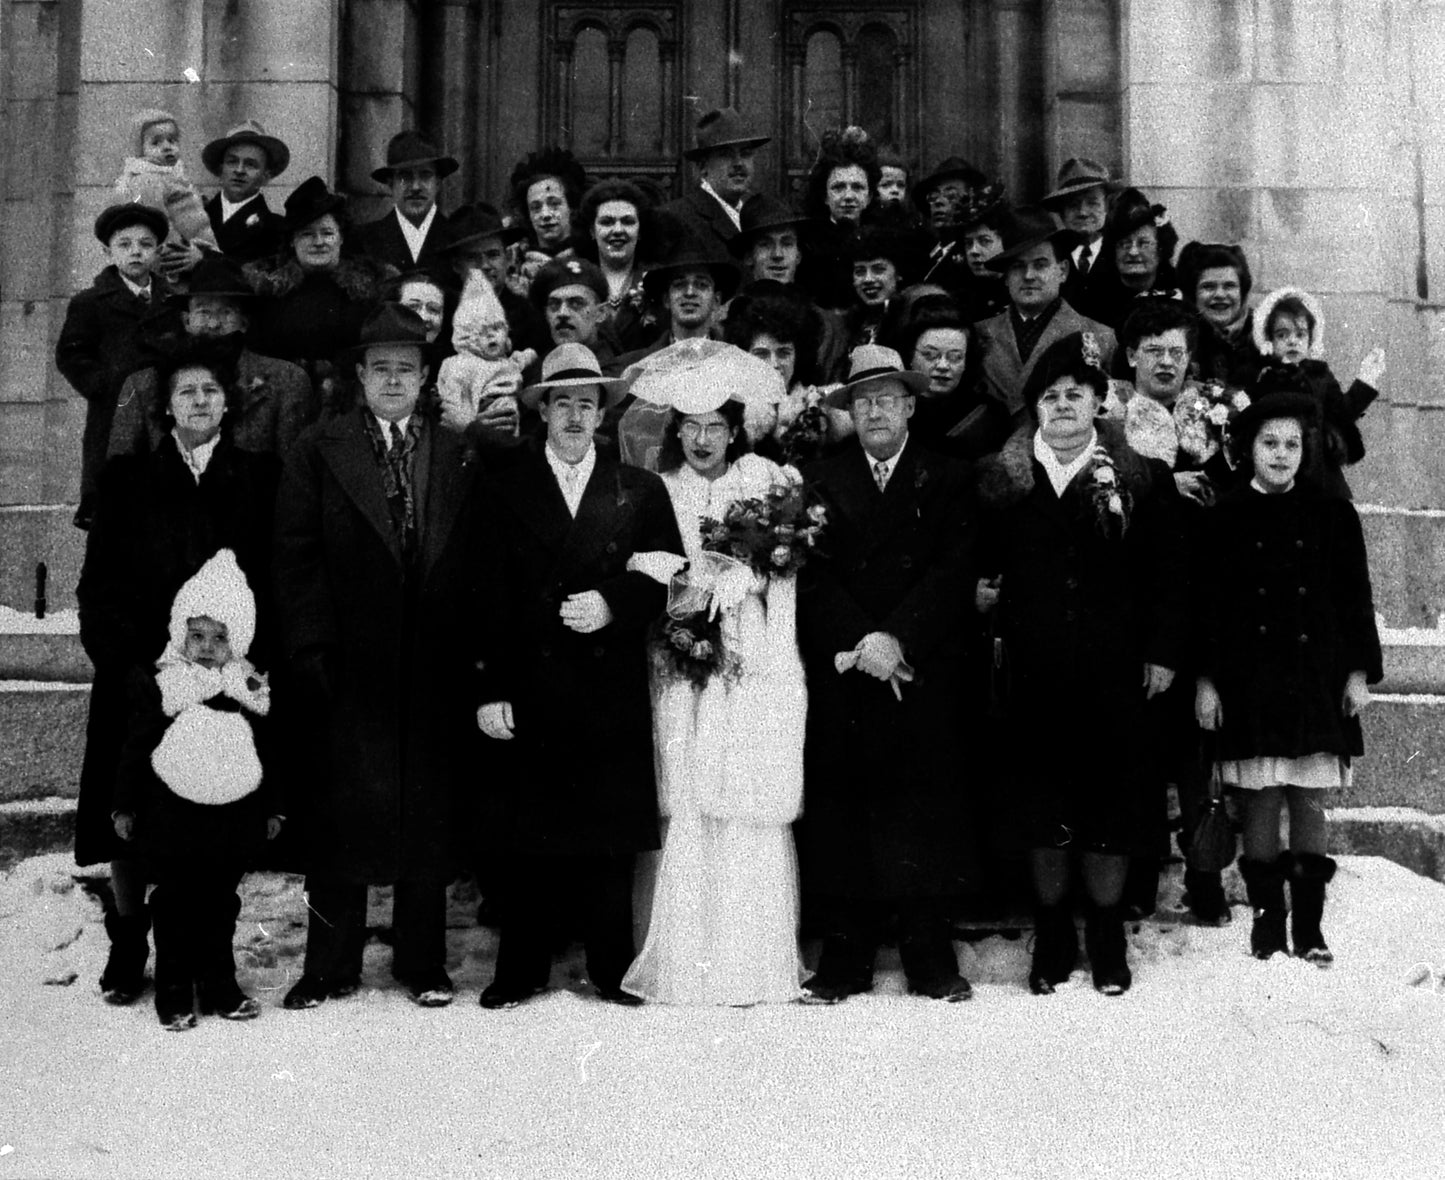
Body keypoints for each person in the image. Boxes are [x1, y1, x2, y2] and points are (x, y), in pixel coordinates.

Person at [273, 303, 479, 1010]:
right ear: (358, 376)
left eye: (407, 368)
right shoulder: (317, 448)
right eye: (380, 367)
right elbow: (294, 557)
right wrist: (309, 645)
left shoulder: (455, 451)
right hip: (349, 659)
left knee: (426, 810)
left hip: (432, 658)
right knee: (339, 814)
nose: (393, 379)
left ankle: (423, 962)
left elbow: (476, 560)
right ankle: (329, 963)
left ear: (424, 378)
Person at [974, 332, 1187, 996]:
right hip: (1031, 675)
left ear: (1100, 402)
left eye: (1076, 394)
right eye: (1049, 396)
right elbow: (977, 566)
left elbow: (1169, 578)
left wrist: (1161, 653)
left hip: (1114, 674)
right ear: (1033, 408)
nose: (1062, 405)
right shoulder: (1003, 481)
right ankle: (1052, 932)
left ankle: (1103, 931)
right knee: (1041, 805)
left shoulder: (1139, 479)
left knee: (1110, 805)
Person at [471, 343, 684, 1008]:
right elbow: (480, 596)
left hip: (605, 683)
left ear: (600, 414)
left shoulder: (638, 488)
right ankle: (519, 970)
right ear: (543, 411)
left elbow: (661, 577)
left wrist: (612, 603)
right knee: (526, 836)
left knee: (607, 837)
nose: (573, 415)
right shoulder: (502, 486)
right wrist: (488, 688)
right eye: (561, 402)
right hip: (529, 682)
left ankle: (611, 966)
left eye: (585, 404)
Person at [76, 338, 280, 1008]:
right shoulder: (129, 480)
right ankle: (131, 938)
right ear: (165, 408)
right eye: (186, 391)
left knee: (218, 812)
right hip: (145, 679)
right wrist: (129, 668)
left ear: (228, 404)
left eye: (211, 391)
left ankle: (210, 958)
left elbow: (273, 582)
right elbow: (99, 585)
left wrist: (252, 665)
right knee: (129, 815)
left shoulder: (257, 476)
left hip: (226, 680)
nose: (199, 401)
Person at [620, 351, 807, 1005]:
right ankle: (682, 960)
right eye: (691, 426)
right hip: (679, 656)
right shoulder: (657, 489)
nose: (702, 440)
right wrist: (678, 585)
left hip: (749, 655)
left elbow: (782, 566)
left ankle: (747, 960)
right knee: (688, 793)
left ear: (734, 430)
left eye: (715, 427)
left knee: (744, 791)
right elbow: (642, 564)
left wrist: (745, 575)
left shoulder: (765, 481)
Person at [796, 345, 979, 1004]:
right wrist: (860, 640)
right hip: (849, 673)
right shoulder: (816, 479)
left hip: (917, 670)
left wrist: (897, 637)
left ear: (908, 405)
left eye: (887, 398)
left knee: (921, 809)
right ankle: (843, 953)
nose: (875, 410)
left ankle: (927, 953)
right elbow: (808, 574)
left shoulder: (949, 477)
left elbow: (954, 570)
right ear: (849, 412)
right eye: (862, 400)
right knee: (845, 807)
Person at [1195, 391, 1382, 964]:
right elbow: (1206, 606)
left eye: (1293, 445)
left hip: (1315, 678)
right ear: (1249, 449)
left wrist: (1357, 672)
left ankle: (1311, 926)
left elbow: (1354, 597)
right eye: (1269, 443)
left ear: (1306, 452)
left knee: (1306, 800)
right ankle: (1267, 921)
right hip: (1248, 680)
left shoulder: (1330, 511)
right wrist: (1206, 681)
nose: (1281, 455)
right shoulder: (1224, 513)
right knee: (1259, 799)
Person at [113, 549, 283, 1030]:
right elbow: (135, 746)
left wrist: (275, 808)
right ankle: (173, 988)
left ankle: (219, 983)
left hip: (230, 820)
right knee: (173, 902)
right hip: (172, 820)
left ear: (238, 639)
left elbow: (269, 754)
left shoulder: (247, 689)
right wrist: (124, 805)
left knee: (219, 902)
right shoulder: (167, 686)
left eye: (219, 636)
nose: (207, 646)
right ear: (180, 635)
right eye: (197, 635)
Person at [55, 203, 184, 529]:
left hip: (163, 411)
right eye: (124, 245)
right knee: (115, 498)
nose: (136, 253)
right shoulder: (90, 302)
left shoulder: (173, 300)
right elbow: (72, 355)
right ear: (107, 251)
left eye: (145, 244)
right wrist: (104, 385)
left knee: (164, 496)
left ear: (158, 251)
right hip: (114, 410)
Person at [108, 254, 312, 459]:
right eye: (204, 312)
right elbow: (119, 473)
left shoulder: (287, 380)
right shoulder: (143, 385)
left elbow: (294, 477)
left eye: (226, 312)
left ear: (244, 322)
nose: (214, 324)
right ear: (187, 320)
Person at [245, 176, 396, 401]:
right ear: (292, 241)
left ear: (341, 238)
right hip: (284, 401)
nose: (318, 242)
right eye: (307, 234)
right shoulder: (269, 291)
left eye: (327, 233)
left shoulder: (370, 289)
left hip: (350, 402)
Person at [972, 206, 1116, 416]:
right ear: (1006, 276)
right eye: (1018, 267)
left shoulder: (1101, 337)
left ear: (1062, 271)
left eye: (1040, 265)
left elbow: (1110, 417)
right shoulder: (979, 336)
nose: (1029, 275)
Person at [1251, 285, 1387, 500]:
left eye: (1300, 334)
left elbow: (1342, 411)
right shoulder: (1265, 377)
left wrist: (1365, 379)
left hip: (1319, 471)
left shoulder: (1320, 376)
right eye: (1282, 335)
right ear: (1269, 341)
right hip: (1280, 467)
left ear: (1310, 340)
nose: (1292, 341)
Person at [898, 295, 1012, 459]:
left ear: (967, 360)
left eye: (955, 357)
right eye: (930, 355)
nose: (943, 366)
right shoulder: (894, 410)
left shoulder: (990, 415)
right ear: (910, 356)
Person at [571, 179, 671, 351]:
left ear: (640, 231)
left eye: (628, 221)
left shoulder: (659, 281)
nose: (618, 230)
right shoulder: (575, 281)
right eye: (607, 222)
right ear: (591, 231)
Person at [660, 107, 769, 253]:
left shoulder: (759, 216)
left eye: (745, 154)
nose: (739, 163)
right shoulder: (677, 220)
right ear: (703, 166)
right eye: (726, 155)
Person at [112, 107, 219, 255]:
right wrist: (179, 252)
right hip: (182, 258)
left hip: (201, 251)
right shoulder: (147, 180)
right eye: (156, 143)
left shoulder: (172, 176)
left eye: (172, 140)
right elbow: (159, 225)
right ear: (140, 149)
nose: (167, 147)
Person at [797, 127, 881, 310]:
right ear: (825, 197)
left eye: (857, 187)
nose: (848, 196)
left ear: (869, 197)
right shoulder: (808, 244)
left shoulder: (883, 240)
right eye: (838, 187)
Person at [351, 130, 459, 272]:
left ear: (438, 183)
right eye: (405, 176)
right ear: (391, 184)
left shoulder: (457, 239)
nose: (415, 187)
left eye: (425, 175)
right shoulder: (363, 241)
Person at [1078, 187, 1180, 331]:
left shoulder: (1179, 290)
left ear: (1161, 249)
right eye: (1124, 244)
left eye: (1143, 243)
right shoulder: (1095, 296)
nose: (1132, 252)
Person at [1176, 241, 1265, 389]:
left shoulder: (1264, 333)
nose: (1220, 294)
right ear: (1193, 293)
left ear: (1241, 291)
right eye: (1208, 287)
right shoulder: (1182, 336)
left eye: (1229, 286)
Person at [200, 120, 290, 263]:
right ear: (220, 170)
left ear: (265, 177)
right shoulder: (196, 217)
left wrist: (203, 260)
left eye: (250, 164)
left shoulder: (275, 229)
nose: (239, 170)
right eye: (232, 162)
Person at [507, 146, 588, 287]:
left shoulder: (590, 257)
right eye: (536, 207)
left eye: (554, 204)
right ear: (528, 215)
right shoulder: (514, 264)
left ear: (571, 207)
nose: (545, 215)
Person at [1041, 157, 1116, 308]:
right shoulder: (1051, 257)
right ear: (1062, 214)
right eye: (1073, 205)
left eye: (1092, 203)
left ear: (1107, 207)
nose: (1083, 212)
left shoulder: (1121, 253)